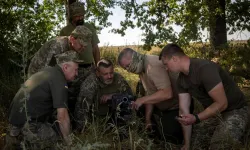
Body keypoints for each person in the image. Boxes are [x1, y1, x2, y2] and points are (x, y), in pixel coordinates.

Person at [159, 43, 249, 149]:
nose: (166, 68)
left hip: (236, 109)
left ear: (174, 59)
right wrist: (187, 144)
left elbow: (222, 104)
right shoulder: (181, 81)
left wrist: (196, 118)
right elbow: (184, 111)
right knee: (196, 143)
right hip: (214, 114)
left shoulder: (204, 68)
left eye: (166, 64)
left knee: (219, 145)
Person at [6, 51, 82, 149]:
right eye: (76, 70)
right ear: (66, 67)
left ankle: (18, 140)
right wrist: (69, 143)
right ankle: (24, 143)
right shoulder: (59, 80)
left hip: (13, 122)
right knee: (57, 139)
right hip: (27, 125)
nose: (77, 74)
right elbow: (62, 116)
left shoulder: (48, 71)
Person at [118, 48, 184, 144]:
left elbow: (167, 93)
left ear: (135, 57)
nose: (128, 70)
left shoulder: (152, 65)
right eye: (125, 68)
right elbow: (150, 93)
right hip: (161, 106)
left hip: (176, 106)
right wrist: (147, 119)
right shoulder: (140, 68)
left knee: (171, 139)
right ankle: (154, 127)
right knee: (135, 106)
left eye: (128, 65)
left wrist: (142, 100)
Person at [74, 59, 133, 133]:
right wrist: (82, 130)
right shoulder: (90, 84)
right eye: (105, 74)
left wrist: (113, 96)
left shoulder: (118, 79)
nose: (109, 76)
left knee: (124, 100)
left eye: (111, 73)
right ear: (98, 73)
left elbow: (130, 97)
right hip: (97, 120)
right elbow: (81, 109)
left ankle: (125, 128)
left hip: (115, 116)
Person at [28, 25, 92, 77]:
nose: (83, 48)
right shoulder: (57, 46)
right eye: (81, 44)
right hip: (37, 75)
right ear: (72, 38)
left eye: (85, 46)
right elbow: (48, 71)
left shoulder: (75, 48)